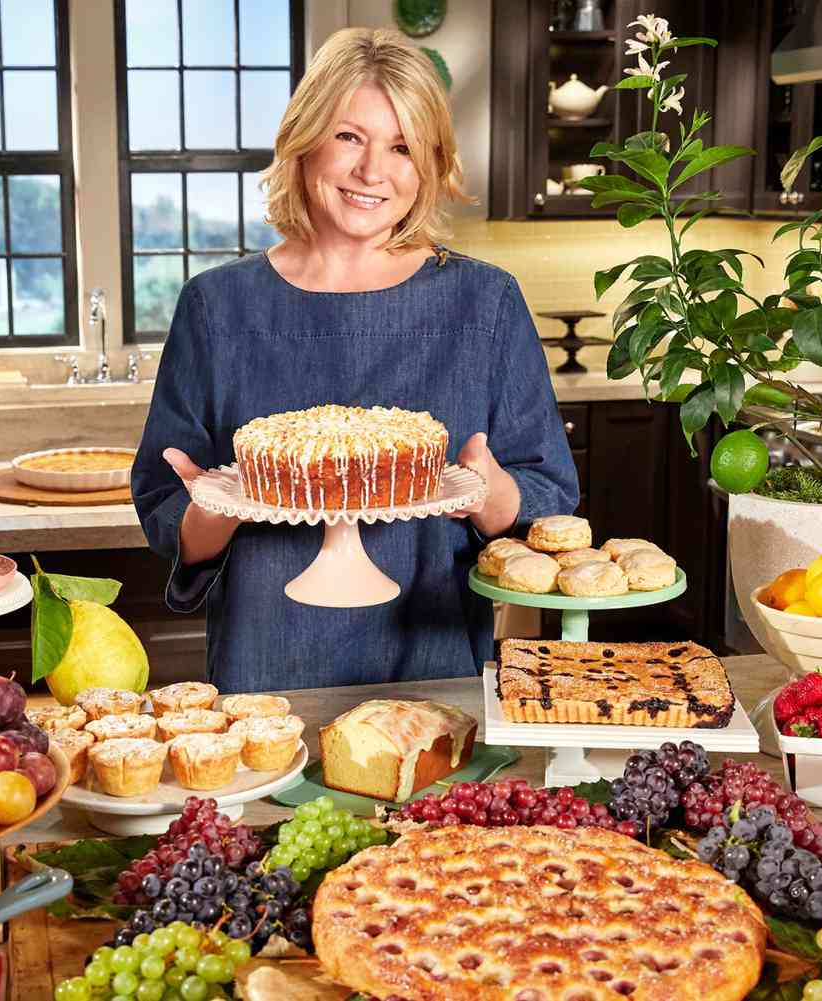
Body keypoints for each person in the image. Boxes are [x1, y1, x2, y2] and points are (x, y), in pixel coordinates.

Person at [131, 27, 578, 692]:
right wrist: (212, 509)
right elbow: (167, 508)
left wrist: (486, 492)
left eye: (402, 146)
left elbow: (548, 497)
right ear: (305, 141)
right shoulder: (216, 307)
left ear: (429, 163)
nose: (374, 171)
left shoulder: (484, 302)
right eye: (349, 137)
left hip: (432, 666)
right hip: (265, 674)